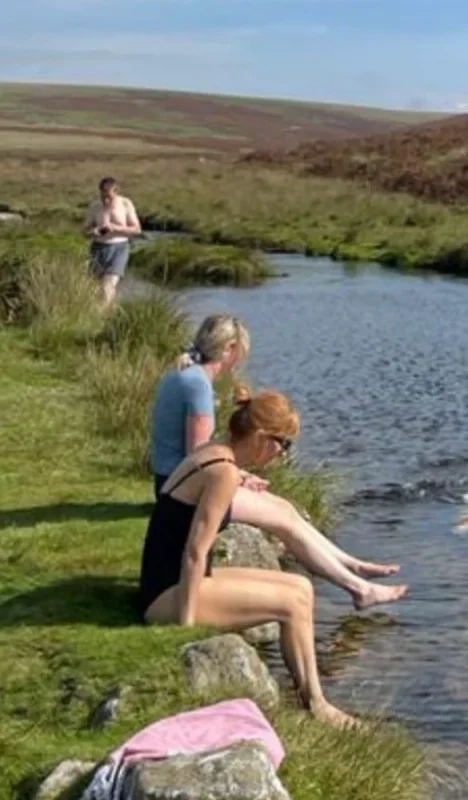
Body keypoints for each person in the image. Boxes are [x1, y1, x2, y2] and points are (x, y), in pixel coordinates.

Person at [149, 314, 407, 610]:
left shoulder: (187, 374)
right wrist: (240, 477)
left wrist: (240, 475)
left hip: (176, 480)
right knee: (284, 520)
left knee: (285, 508)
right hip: (182, 490)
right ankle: (358, 587)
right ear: (229, 348)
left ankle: (354, 567)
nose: (239, 363)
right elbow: (198, 457)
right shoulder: (198, 386)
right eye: (241, 354)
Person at [140, 388, 355, 727]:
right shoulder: (223, 472)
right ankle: (317, 705)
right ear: (259, 437)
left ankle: (311, 698)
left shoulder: (213, 452)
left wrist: (240, 476)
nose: (282, 454)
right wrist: (184, 624)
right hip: (169, 595)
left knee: (301, 587)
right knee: (293, 604)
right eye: (282, 444)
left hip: (172, 580)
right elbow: (196, 550)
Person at [83, 177, 140, 309]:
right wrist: (94, 231)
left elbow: (137, 230)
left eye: (109, 196)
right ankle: (110, 313)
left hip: (119, 248)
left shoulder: (126, 204)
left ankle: (101, 316)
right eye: (103, 196)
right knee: (96, 287)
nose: (106, 200)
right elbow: (84, 231)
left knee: (108, 284)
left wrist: (115, 228)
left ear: (117, 191)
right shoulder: (95, 207)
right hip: (98, 248)